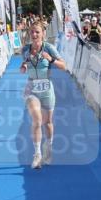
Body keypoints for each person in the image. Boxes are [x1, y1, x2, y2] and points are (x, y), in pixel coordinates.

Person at [20, 20, 67, 169]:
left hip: (47, 89)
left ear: (43, 34)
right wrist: (24, 66)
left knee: (47, 123)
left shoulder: (49, 48)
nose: (34, 34)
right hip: (32, 88)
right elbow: (24, 66)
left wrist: (51, 59)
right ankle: (37, 154)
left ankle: (49, 147)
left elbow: (64, 66)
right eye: (32, 32)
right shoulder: (25, 49)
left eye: (37, 32)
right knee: (37, 120)